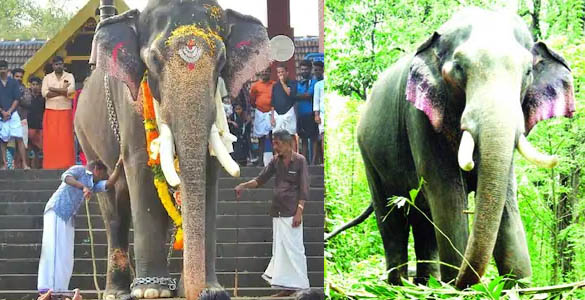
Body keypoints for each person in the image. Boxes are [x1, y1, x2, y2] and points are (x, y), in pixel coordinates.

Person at [235, 130, 310, 297]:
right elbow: (260, 180)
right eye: (274, 143)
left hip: (292, 212)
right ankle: (287, 287)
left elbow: (304, 189)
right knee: (280, 250)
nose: (275, 147)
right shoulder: (275, 161)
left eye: (278, 144)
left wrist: (300, 211)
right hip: (277, 211)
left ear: (288, 143)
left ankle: (303, 287)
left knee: (295, 249)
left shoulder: (300, 161)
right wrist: (243, 186)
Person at [38, 158, 123, 292]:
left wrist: (119, 165)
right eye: (102, 173)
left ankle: (61, 287)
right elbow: (65, 177)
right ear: (96, 169)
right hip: (57, 211)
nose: (102, 176)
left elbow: (109, 184)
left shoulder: (92, 185)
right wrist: (82, 187)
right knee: (55, 249)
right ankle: (48, 287)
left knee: (66, 253)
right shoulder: (79, 170)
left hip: (69, 217)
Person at [42, 56, 75, 169]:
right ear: (53, 66)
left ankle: (67, 164)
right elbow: (45, 94)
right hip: (50, 111)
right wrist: (63, 91)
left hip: (65, 111)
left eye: (60, 64)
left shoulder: (69, 76)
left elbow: (71, 92)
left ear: (63, 64)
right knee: (51, 139)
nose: (58, 66)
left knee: (66, 139)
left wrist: (54, 89)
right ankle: (50, 165)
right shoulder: (47, 78)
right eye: (56, 64)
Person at [0, 60, 29, 169]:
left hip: (14, 114)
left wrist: (10, 111)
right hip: (1, 115)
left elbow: (17, 98)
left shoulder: (13, 82)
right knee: (3, 140)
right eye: (0, 68)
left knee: (19, 138)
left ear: (7, 69)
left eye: (4, 68)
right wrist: (3, 112)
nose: (2, 70)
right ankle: (4, 164)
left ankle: (24, 164)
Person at [250, 67, 275, 166]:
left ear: (270, 73)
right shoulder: (255, 86)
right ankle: (260, 161)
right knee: (261, 138)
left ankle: (275, 161)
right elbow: (252, 101)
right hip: (260, 113)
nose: (264, 73)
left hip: (272, 113)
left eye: (267, 71)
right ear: (260, 73)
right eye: (263, 71)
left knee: (273, 137)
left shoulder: (274, 84)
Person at [295, 60, 318, 164]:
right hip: (300, 114)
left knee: (313, 138)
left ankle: (313, 162)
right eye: (302, 69)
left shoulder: (313, 81)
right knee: (303, 139)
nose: (304, 71)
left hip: (310, 113)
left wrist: (298, 96)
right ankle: (304, 161)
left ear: (310, 69)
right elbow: (295, 96)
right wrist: (301, 96)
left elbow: (309, 95)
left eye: (306, 69)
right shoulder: (298, 82)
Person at [271, 65, 298, 152]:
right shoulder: (275, 86)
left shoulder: (293, 83)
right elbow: (273, 102)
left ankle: (293, 156)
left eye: (282, 72)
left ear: (287, 73)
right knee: (277, 136)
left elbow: (290, 94)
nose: (280, 74)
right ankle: (278, 156)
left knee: (291, 134)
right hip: (277, 113)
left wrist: (283, 83)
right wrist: (272, 117)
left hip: (289, 111)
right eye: (278, 72)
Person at [21, 76, 45, 169]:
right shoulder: (26, 98)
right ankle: (26, 168)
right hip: (28, 126)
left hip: (39, 127)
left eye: (37, 84)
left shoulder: (43, 98)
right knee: (26, 149)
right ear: (30, 86)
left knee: (39, 150)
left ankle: (38, 169)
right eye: (33, 84)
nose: (35, 87)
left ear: (40, 86)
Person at [312, 61, 325, 165]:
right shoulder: (318, 85)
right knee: (323, 137)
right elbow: (316, 100)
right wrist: (316, 114)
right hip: (322, 114)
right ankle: (325, 160)